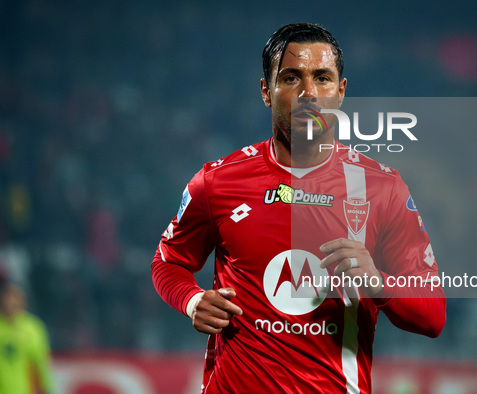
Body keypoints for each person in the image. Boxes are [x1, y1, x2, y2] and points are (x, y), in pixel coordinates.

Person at [152, 23, 446, 393]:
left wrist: (378, 284)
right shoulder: (217, 182)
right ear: (266, 92)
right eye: (291, 78)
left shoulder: (382, 189)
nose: (309, 93)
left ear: (340, 92)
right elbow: (168, 260)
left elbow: (433, 315)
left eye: (322, 78)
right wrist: (191, 299)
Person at [0, 278, 55, 394]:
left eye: (16, 297)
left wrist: (48, 389)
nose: (11, 301)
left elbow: (41, 365)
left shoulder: (33, 328)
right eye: (8, 296)